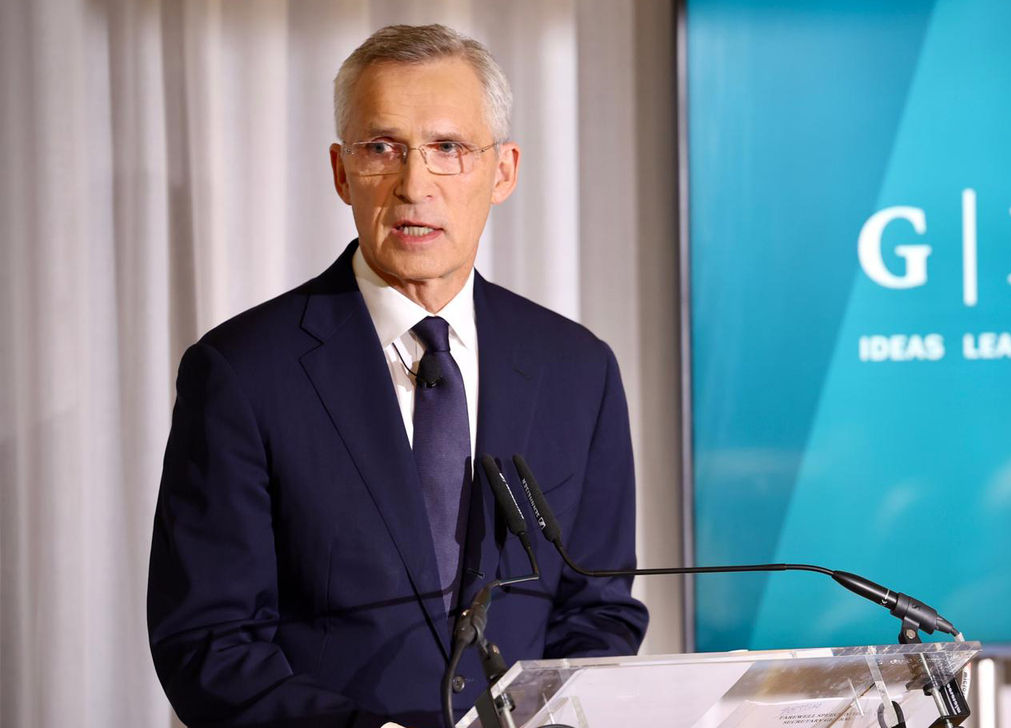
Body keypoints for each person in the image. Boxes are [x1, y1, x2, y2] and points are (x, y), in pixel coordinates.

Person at [147, 24, 648, 728]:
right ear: (341, 171)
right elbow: (207, 641)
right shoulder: (241, 373)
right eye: (383, 148)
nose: (415, 184)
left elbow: (598, 610)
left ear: (503, 170)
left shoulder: (578, 370)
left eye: (448, 149)